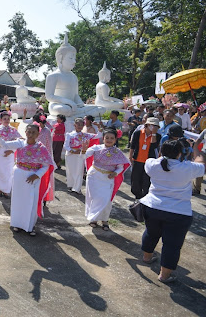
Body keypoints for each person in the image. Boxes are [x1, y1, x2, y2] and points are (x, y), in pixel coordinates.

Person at [140, 139, 206, 283]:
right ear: (180, 153)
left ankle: (147, 258)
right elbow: (202, 163)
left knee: (151, 233)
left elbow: (160, 161)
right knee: (172, 244)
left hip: (152, 207)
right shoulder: (187, 168)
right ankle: (164, 276)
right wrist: (196, 147)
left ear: (161, 151)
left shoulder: (152, 164)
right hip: (178, 212)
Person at [0, 123, 53, 236]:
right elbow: (4, 144)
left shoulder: (41, 148)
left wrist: (37, 175)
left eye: (33, 132)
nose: (30, 134)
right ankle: (17, 224)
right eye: (29, 132)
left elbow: (46, 165)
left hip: (33, 177)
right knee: (18, 200)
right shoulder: (20, 143)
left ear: (38, 134)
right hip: (19, 175)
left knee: (31, 201)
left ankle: (30, 226)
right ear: (25, 132)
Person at [84, 128, 130, 230]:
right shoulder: (96, 148)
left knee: (106, 199)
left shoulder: (118, 152)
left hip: (108, 178)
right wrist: (84, 150)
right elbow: (85, 155)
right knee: (94, 198)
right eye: (107, 137)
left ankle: (104, 219)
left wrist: (115, 173)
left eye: (112, 138)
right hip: (94, 176)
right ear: (103, 138)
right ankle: (93, 219)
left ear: (115, 139)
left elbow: (121, 167)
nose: (109, 140)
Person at [64, 118, 100, 194]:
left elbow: (98, 135)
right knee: (70, 171)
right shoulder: (69, 135)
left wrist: (99, 127)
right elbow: (66, 146)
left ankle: (77, 188)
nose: (79, 126)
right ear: (74, 125)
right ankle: (71, 186)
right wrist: (73, 151)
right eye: (78, 124)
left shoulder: (85, 135)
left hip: (80, 155)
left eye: (81, 125)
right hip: (70, 155)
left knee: (79, 171)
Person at [129, 117, 161, 199]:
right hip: (137, 159)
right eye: (152, 125)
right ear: (147, 125)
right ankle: (137, 195)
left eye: (155, 126)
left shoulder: (157, 136)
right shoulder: (138, 133)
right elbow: (132, 146)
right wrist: (130, 156)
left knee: (146, 180)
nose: (153, 127)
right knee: (135, 179)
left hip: (149, 162)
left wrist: (153, 134)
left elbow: (153, 146)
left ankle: (145, 196)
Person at [0, 111, 21, 197]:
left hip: (9, 153)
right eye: (4, 119)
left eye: (8, 119)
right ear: (1, 120)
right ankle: (0, 189)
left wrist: (12, 151)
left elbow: (19, 141)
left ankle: (6, 190)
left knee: (8, 172)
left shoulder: (13, 129)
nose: (7, 120)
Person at [34, 113, 55, 204]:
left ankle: (44, 197)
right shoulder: (36, 129)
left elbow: (48, 146)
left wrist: (47, 158)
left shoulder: (46, 131)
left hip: (44, 157)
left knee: (44, 178)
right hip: (35, 156)